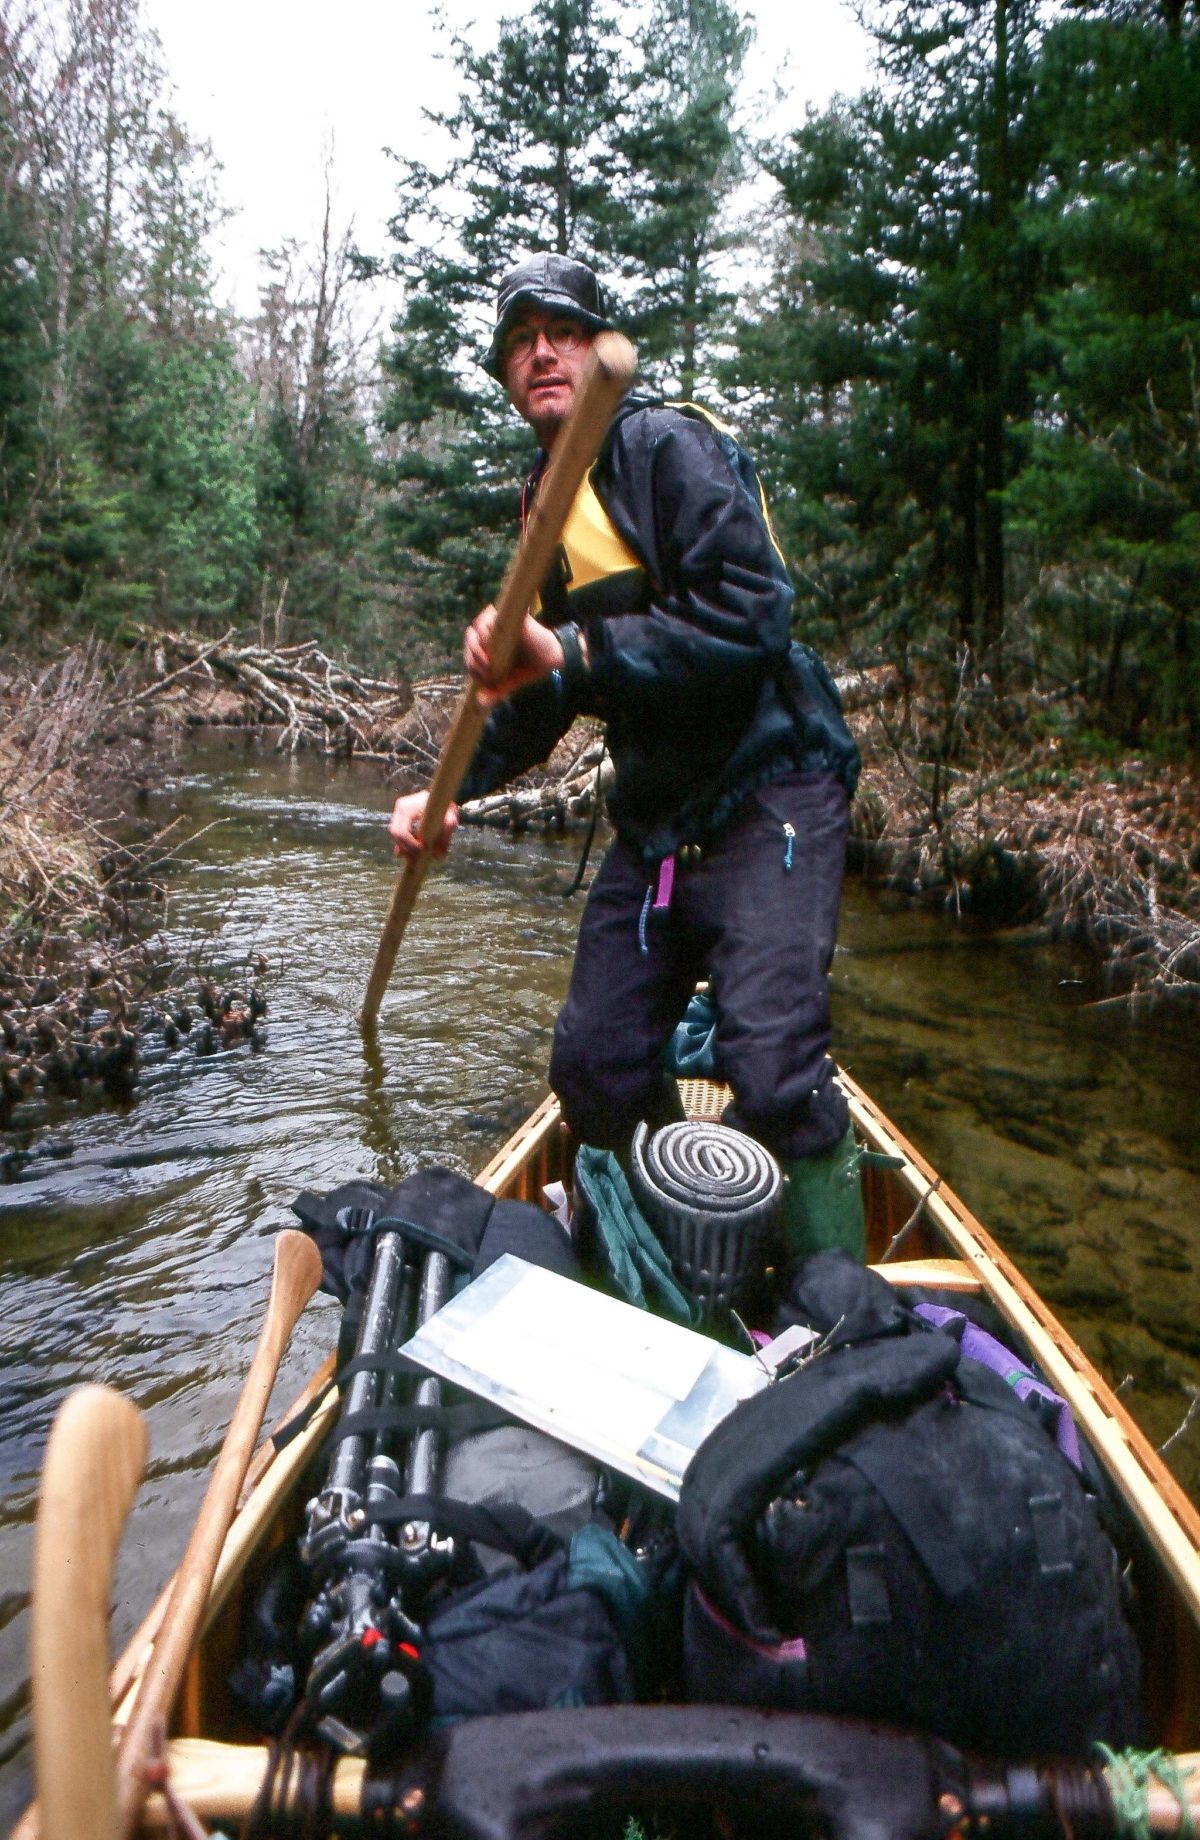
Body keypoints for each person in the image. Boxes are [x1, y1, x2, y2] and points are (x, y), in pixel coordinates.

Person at [388, 252, 863, 1263]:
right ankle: (672, 1247)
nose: (541, 353)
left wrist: (576, 649)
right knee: (594, 1069)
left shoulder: (665, 447)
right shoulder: (543, 506)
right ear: (505, 373)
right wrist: (447, 793)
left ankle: (839, 1302)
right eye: (520, 341)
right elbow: (537, 693)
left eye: (562, 332)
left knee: (774, 1071)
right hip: (659, 816)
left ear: (597, 347)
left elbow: (753, 619)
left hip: (772, 788)